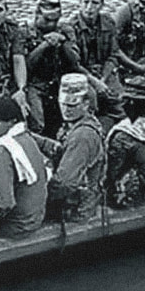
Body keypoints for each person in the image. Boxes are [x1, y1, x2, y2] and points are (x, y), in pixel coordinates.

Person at [0, 96, 49, 239]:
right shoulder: (27, 138)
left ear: (12, 122)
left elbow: (2, 204)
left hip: (16, 225)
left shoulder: (4, 150)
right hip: (34, 218)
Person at [47, 73, 107, 228]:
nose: (66, 110)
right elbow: (62, 148)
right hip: (79, 198)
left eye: (73, 105)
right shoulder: (79, 122)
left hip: (75, 209)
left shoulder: (83, 135)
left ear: (86, 103)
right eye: (63, 104)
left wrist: (40, 196)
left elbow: (64, 184)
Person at [23, 0, 82, 133]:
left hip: (59, 81)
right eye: (47, 20)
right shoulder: (25, 32)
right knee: (37, 119)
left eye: (55, 21)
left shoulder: (66, 30)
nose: (51, 24)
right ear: (37, 15)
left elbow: (75, 63)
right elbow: (25, 67)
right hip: (34, 84)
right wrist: (44, 46)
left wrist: (63, 44)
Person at [64, 0, 123, 115]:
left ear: (101, 5)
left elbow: (113, 55)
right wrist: (95, 82)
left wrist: (103, 79)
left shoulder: (108, 23)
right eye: (86, 2)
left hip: (103, 71)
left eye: (95, 3)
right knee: (89, 100)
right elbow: (73, 64)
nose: (89, 7)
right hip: (81, 75)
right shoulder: (70, 27)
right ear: (79, 3)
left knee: (120, 101)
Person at [105, 81, 145, 209]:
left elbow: (112, 171)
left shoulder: (122, 136)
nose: (122, 105)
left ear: (131, 103)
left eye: (125, 101)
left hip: (131, 197)